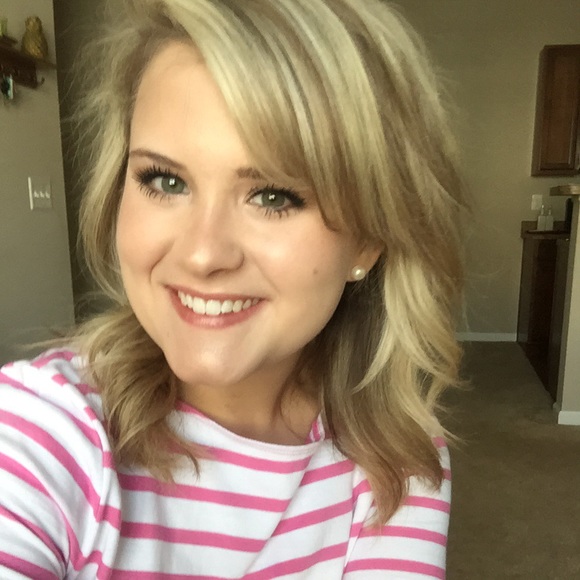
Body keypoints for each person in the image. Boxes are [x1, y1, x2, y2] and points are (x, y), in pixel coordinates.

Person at [0, 0, 466, 577]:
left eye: (273, 195)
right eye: (165, 181)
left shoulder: (397, 457)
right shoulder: (39, 431)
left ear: (368, 239)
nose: (202, 254)